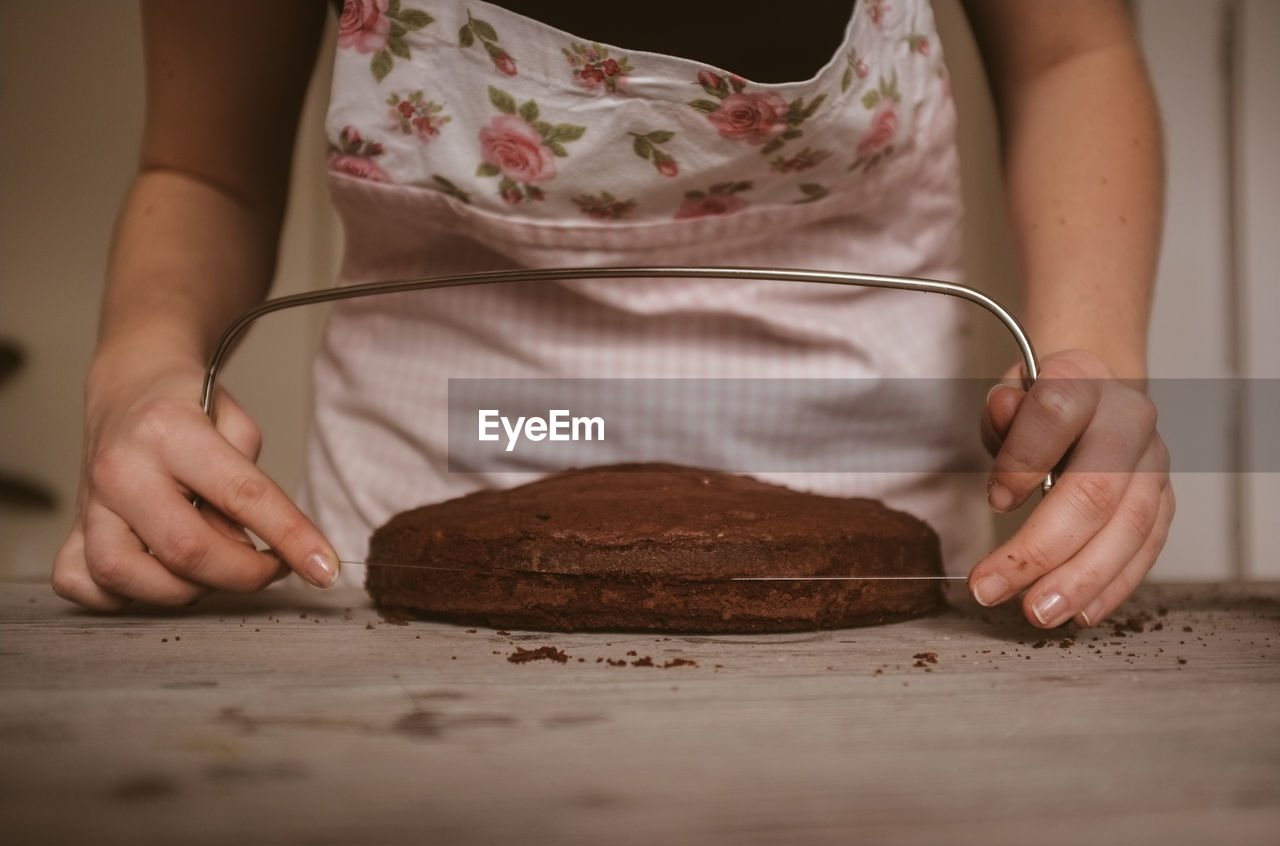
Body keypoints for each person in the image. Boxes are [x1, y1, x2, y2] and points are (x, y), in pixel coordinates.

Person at [52, 0, 1172, 630]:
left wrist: (1094, 359)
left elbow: (1071, 53)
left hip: (860, 507)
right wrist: (139, 368)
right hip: (435, 490)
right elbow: (204, 168)